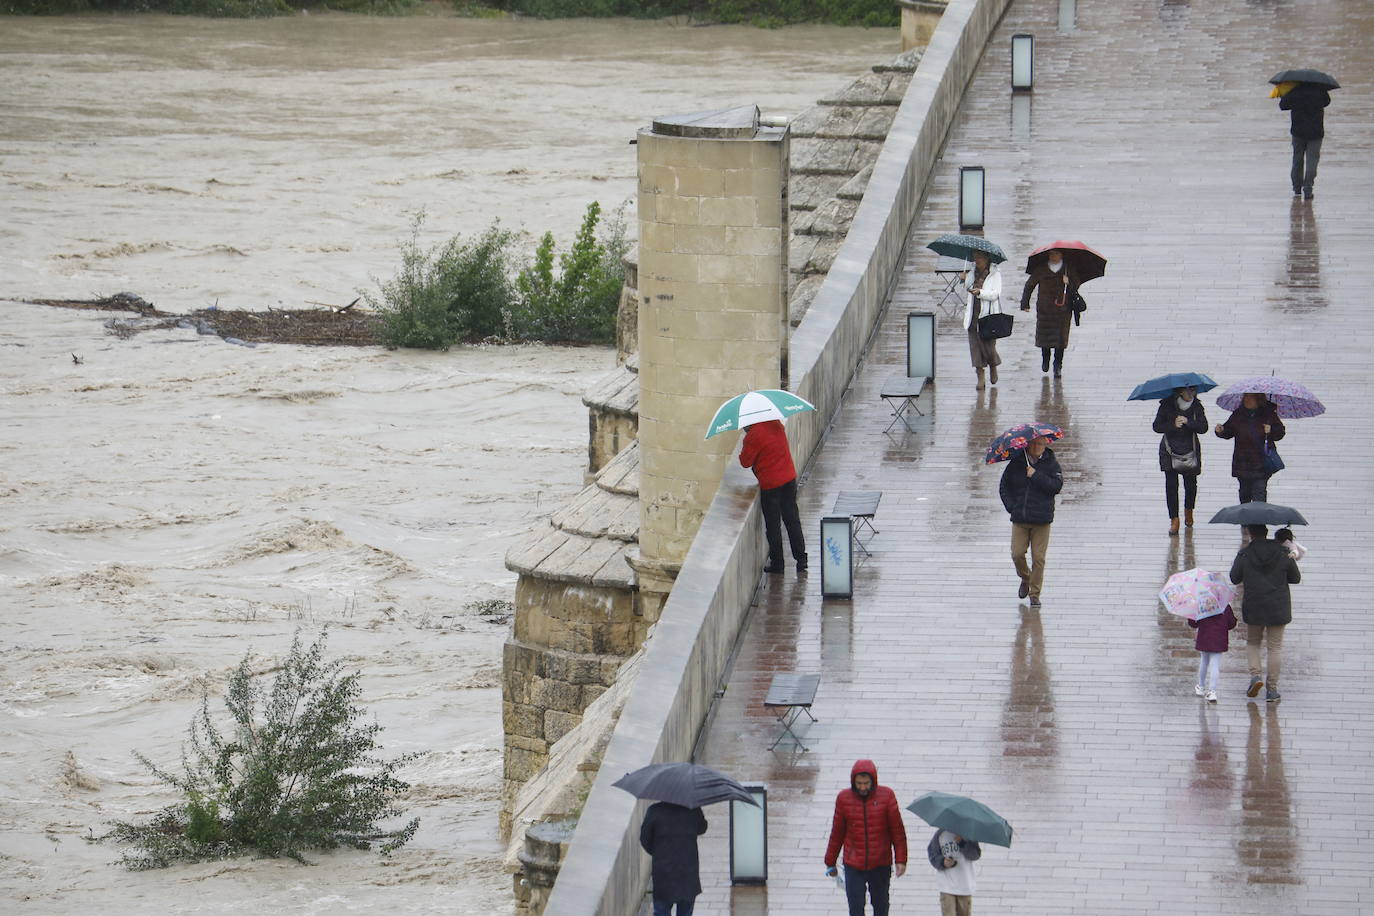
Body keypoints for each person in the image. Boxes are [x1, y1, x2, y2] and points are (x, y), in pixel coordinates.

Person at [824, 759, 908, 916]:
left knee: (881, 905)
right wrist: (830, 861)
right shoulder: (843, 798)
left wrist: (901, 860)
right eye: (859, 783)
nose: (863, 787)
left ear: (873, 781)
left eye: (866, 783)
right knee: (855, 907)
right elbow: (837, 832)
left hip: (880, 863)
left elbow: (897, 831)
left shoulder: (887, 796)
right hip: (853, 864)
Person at [1230, 524, 1301, 702]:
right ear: (1266, 532)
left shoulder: (1245, 553)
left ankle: (1255, 676)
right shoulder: (1283, 552)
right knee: (1275, 647)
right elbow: (1295, 578)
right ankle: (1272, 689)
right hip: (1278, 606)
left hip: (1254, 605)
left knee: (1253, 642)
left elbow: (1234, 577)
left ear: (1250, 533)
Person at [999, 435, 1063, 608]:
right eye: (1034, 444)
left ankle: (1035, 594)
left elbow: (1055, 487)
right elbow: (1004, 486)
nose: (1037, 447)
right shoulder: (1017, 463)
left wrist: (1035, 475)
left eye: (1040, 444)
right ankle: (1026, 577)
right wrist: (1012, 506)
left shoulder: (1051, 464)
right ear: (1027, 445)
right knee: (1017, 554)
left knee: (1039, 558)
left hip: (1042, 519)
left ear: (1045, 445)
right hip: (1020, 518)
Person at [739, 418, 806, 574]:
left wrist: (746, 442)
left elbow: (745, 462)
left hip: (771, 485)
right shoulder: (775, 423)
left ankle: (778, 563)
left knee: (773, 526)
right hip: (789, 478)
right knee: (792, 520)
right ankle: (801, 559)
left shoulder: (752, 436)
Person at [1153, 385, 1208, 535]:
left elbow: (1204, 427)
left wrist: (1189, 422)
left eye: (1194, 390)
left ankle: (1189, 509)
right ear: (1179, 391)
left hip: (1190, 449)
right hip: (1169, 451)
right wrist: (1172, 425)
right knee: (1171, 486)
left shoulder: (1197, 406)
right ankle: (1174, 519)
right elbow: (1157, 427)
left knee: (1191, 485)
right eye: (1188, 390)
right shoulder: (1166, 405)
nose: (1192, 393)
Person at [638, 801, 708, 916]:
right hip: (687, 873)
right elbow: (702, 828)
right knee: (686, 912)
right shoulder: (693, 809)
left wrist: (658, 853)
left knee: (661, 911)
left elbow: (645, 839)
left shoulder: (654, 811)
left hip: (663, 874)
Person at [1214, 393, 1285, 504]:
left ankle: (1259, 521)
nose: (1247, 400)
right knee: (1244, 494)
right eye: (1246, 397)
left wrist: (1270, 431)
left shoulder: (1269, 414)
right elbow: (1229, 431)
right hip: (1242, 462)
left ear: (1259, 399)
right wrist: (1221, 430)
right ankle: (1246, 521)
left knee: (1259, 494)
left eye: (1251, 397)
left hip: (1261, 463)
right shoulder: (1238, 414)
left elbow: (1279, 434)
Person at [1020, 248, 1078, 377]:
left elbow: (1076, 286)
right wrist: (1025, 303)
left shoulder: (1068, 269)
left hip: (1063, 311)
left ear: (1061, 255)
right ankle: (1045, 359)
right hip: (1045, 309)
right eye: (1051, 254)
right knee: (1044, 338)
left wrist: (1069, 283)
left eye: (1056, 254)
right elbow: (1029, 285)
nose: (1053, 256)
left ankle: (1058, 365)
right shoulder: (1041, 269)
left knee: (1060, 340)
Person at [1279, 82, 1331, 200]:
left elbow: (1283, 106)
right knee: (1312, 160)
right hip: (1316, 132)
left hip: (1298, 132)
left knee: (1297, 159)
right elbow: (1327, 102)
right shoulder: (1319, 90)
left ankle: (1297, 187)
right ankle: (1308, 188)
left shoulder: (1293, 91)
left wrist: (1284, 95)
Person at [962, 251, 1003, 391]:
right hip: (973, 315)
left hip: (988, 316)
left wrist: (981, 292)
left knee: (989, 347)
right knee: (975, 347)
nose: (977, 260)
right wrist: (964, 279)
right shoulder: (972, 271)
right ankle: (980, 376)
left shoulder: (995, 274)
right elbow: (967, 289)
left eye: (980, 258)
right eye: (975, 257)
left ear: (987, 259)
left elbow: (996, 293)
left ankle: (993, 365)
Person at [1188, 603, 1238, 703]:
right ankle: (1212, 692)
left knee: (1204, 662)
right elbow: (1231, 623)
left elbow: (1193, 623)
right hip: (1219, 639)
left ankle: (1201, 687)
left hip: (1204, 637)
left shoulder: (1201, 604)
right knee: (1215, 665)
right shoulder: (1224, 605)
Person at [926, 829, 981, 916]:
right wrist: (943, 862)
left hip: (965, 885)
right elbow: (933, 855)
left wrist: (962, 843)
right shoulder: (940, 834)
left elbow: (975, 855)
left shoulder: (969, 834)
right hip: (946, 886)